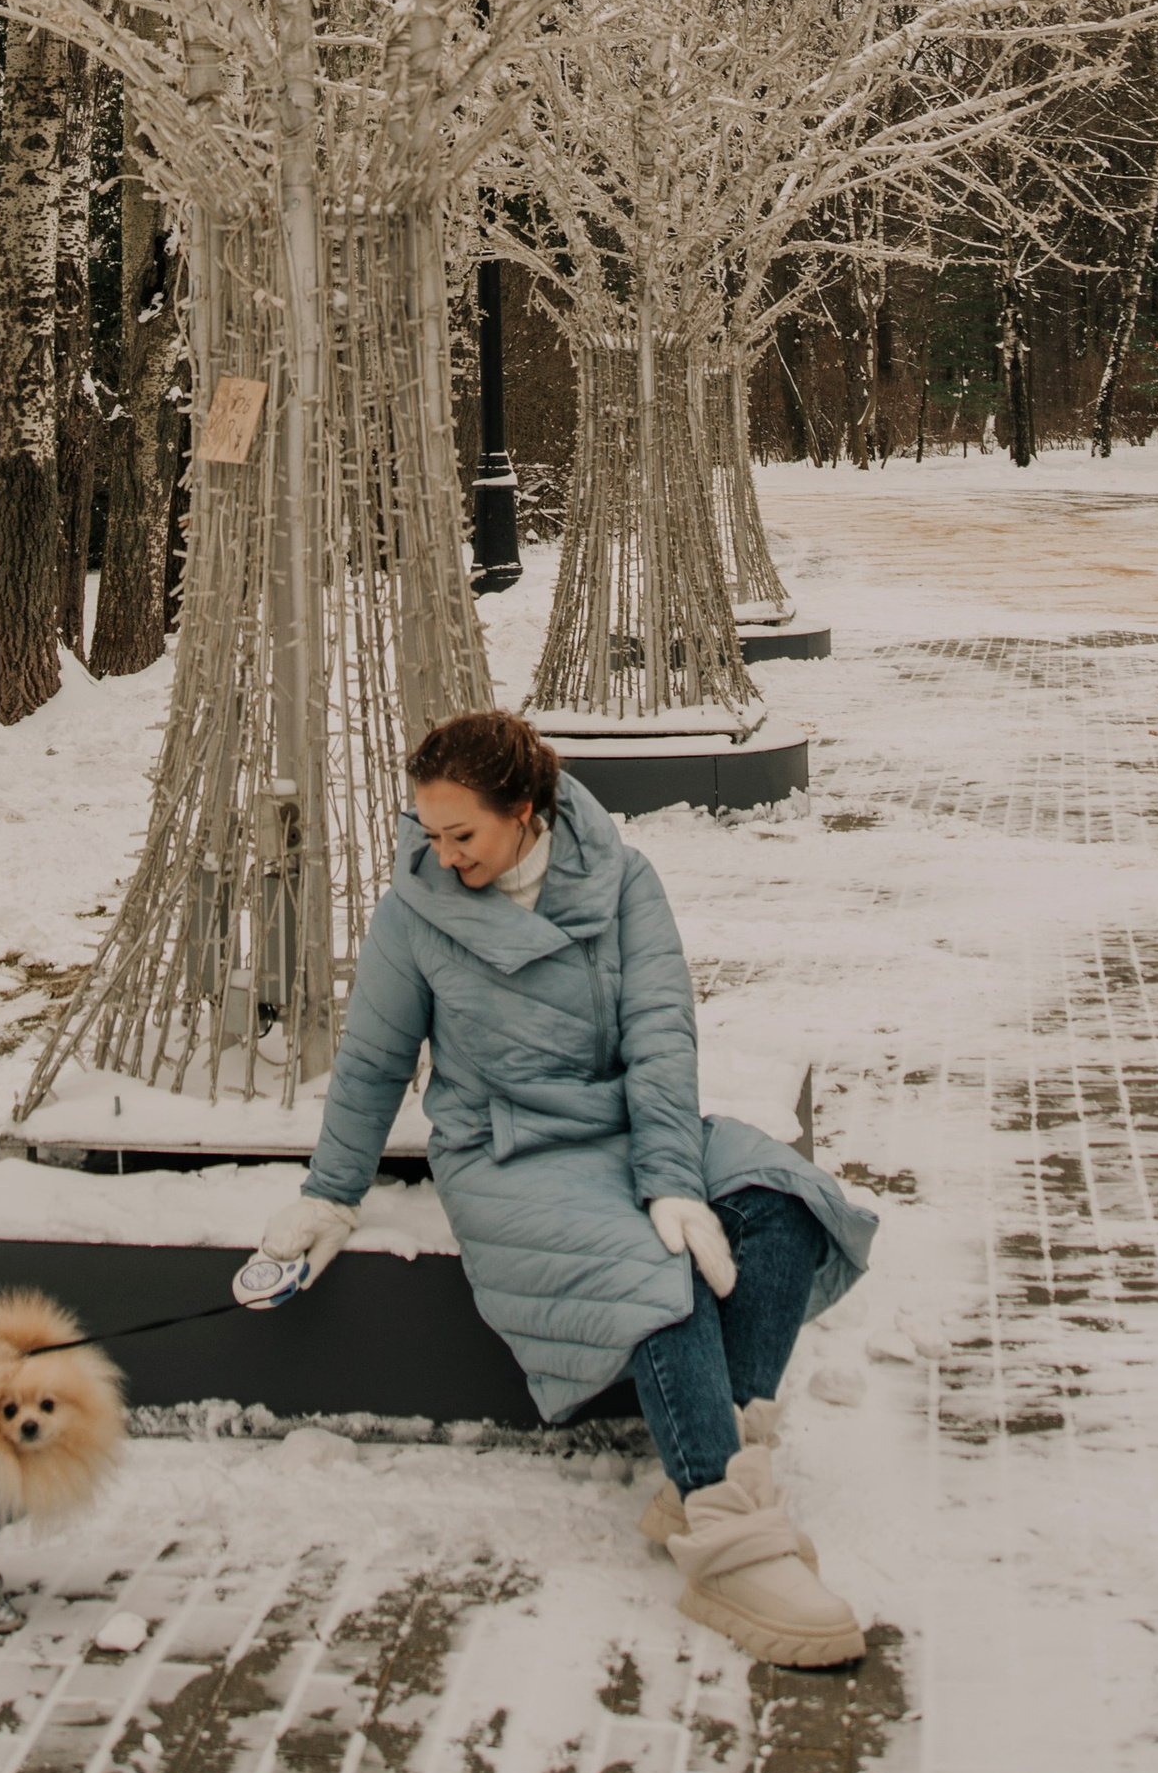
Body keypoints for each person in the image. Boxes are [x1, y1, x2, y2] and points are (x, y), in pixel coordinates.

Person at [254, 705, 873, 1668]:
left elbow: (661, 1033)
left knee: (780, 1201)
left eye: (463, 833)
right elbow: (374, 1060)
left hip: (628, 1123)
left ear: (526, 809)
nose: (443, 853)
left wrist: (672, 1179)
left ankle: (717, 1460)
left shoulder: (623, 880)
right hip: (510, 1150)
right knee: (651, 1275)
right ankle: (730, 1543)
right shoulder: (415, 911)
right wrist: (332, 1192)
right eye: (431, 832)